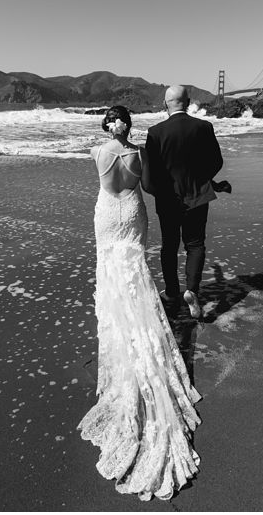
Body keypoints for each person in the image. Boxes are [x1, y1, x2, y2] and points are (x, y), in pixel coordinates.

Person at [78, 105, 202, 500]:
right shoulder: (139, 154)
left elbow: (103, 179)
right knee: (136, 273)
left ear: (105, 124)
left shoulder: (97, 152)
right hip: (132, 214)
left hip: (106, 216)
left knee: (111, 274)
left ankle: (120, 330)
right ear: (127, 125)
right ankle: (142, 326)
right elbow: (147, 188)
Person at [145, 85, 225, 319]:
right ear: (188, 102)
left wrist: (158, 190)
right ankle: (192, 291)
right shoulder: (204, 127)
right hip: (198, 196)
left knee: (170, 246)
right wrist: (202, 180)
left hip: (168, 198)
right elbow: (216, 161)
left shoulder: (155, 132)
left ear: (165, 104)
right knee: (195, 244)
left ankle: (171, 293)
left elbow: (152, 169)